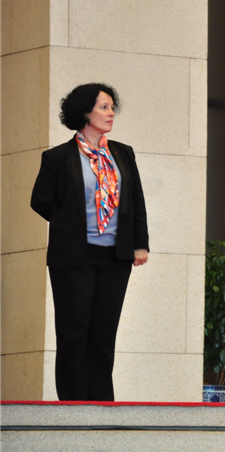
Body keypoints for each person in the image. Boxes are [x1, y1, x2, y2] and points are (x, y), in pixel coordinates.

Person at [30, 83, 149, 401]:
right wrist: (69, 225)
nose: (111, 113)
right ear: (84, 112)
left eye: (112, 107)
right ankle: (72, 401)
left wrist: (140, 243)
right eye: (104, 107)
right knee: (74, 329)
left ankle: (100, 400)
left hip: (115, 255)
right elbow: (40, 200)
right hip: (73, 256)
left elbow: (135, 200)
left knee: (103, 330)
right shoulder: (57, 157)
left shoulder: (122, 153)